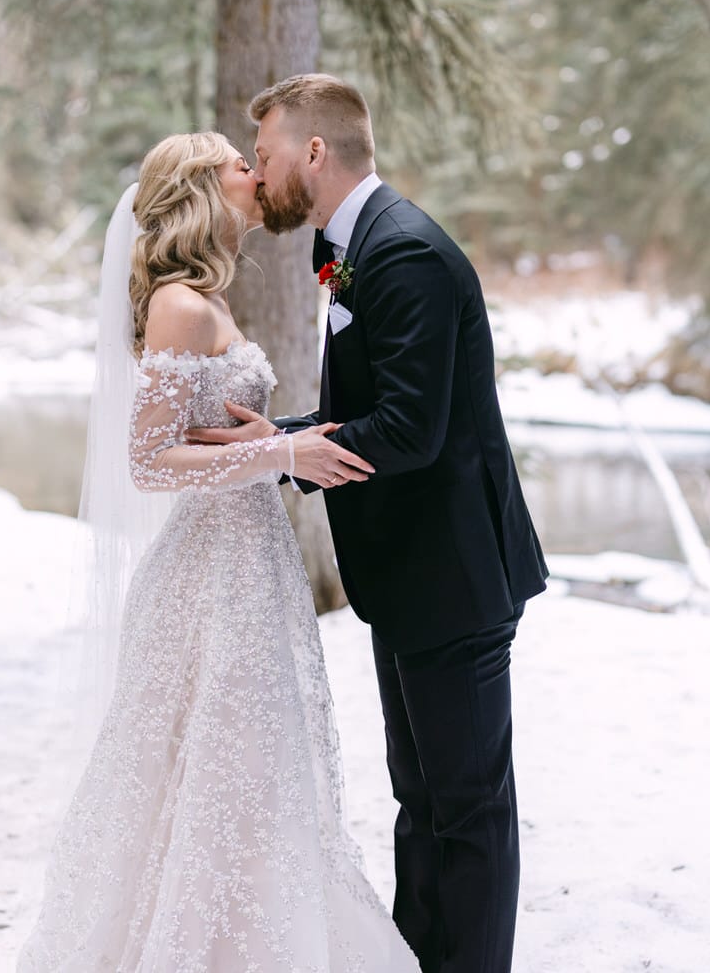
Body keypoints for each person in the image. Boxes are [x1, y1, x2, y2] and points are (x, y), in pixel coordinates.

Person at [16, 131, 418, 971]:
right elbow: (148, 459)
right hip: (207, 579)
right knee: (213, 771)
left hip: (250, 565)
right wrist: (283, 456)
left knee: (250, 774)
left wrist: (277, 443)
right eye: (241, 163)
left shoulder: (208, 299)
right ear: (203, 187)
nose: (256, 171)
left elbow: (208, 442)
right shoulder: (180, 304)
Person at [192, 74, 550, 973]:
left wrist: (282, 457)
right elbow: (375, 407)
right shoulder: (357, 250)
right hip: (409, 577)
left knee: (466, 808)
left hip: (455, 576)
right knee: (421, 799)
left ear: (316, 152)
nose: (259, 174)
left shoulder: (406, 255)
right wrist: (279, 435)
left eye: (266, 156)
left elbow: (411, 431)